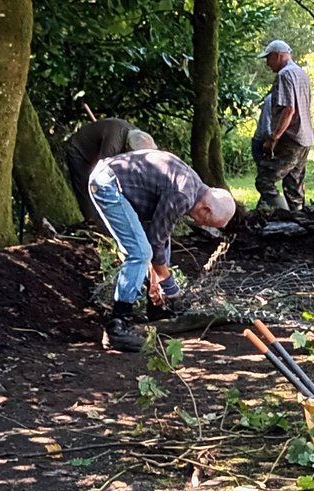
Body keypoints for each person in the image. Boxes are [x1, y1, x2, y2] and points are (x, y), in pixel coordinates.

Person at [89, 149, 236, 352]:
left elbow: (159, 235)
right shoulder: (183, 195)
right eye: (209, 223)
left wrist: (156, 281)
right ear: (206, 210)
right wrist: (169, 285)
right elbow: (154, 242)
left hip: (119, 183)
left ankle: (156, 308)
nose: (204, 226)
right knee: (140, 253)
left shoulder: (195, 188)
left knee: (157, 249)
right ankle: (117, 326)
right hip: (108, 184)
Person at [255, 40, 314, 210]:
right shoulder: (301, 73)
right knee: (294, 186)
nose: (267, 63)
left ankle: (283, 214)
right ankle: (299, 224)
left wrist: (274, 138)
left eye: (268, 58)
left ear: (278, 55)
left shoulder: (284, 75)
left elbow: (289, 110)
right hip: (305, 138)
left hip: (291, 139)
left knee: (265, 180)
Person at [66, 118, 156, 224]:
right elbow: (99, 172)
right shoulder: (113, 144)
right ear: (128, 148)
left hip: (96, 154)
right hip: (80, 150)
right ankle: (91, 222)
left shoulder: (138, 136)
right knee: (87, 186)